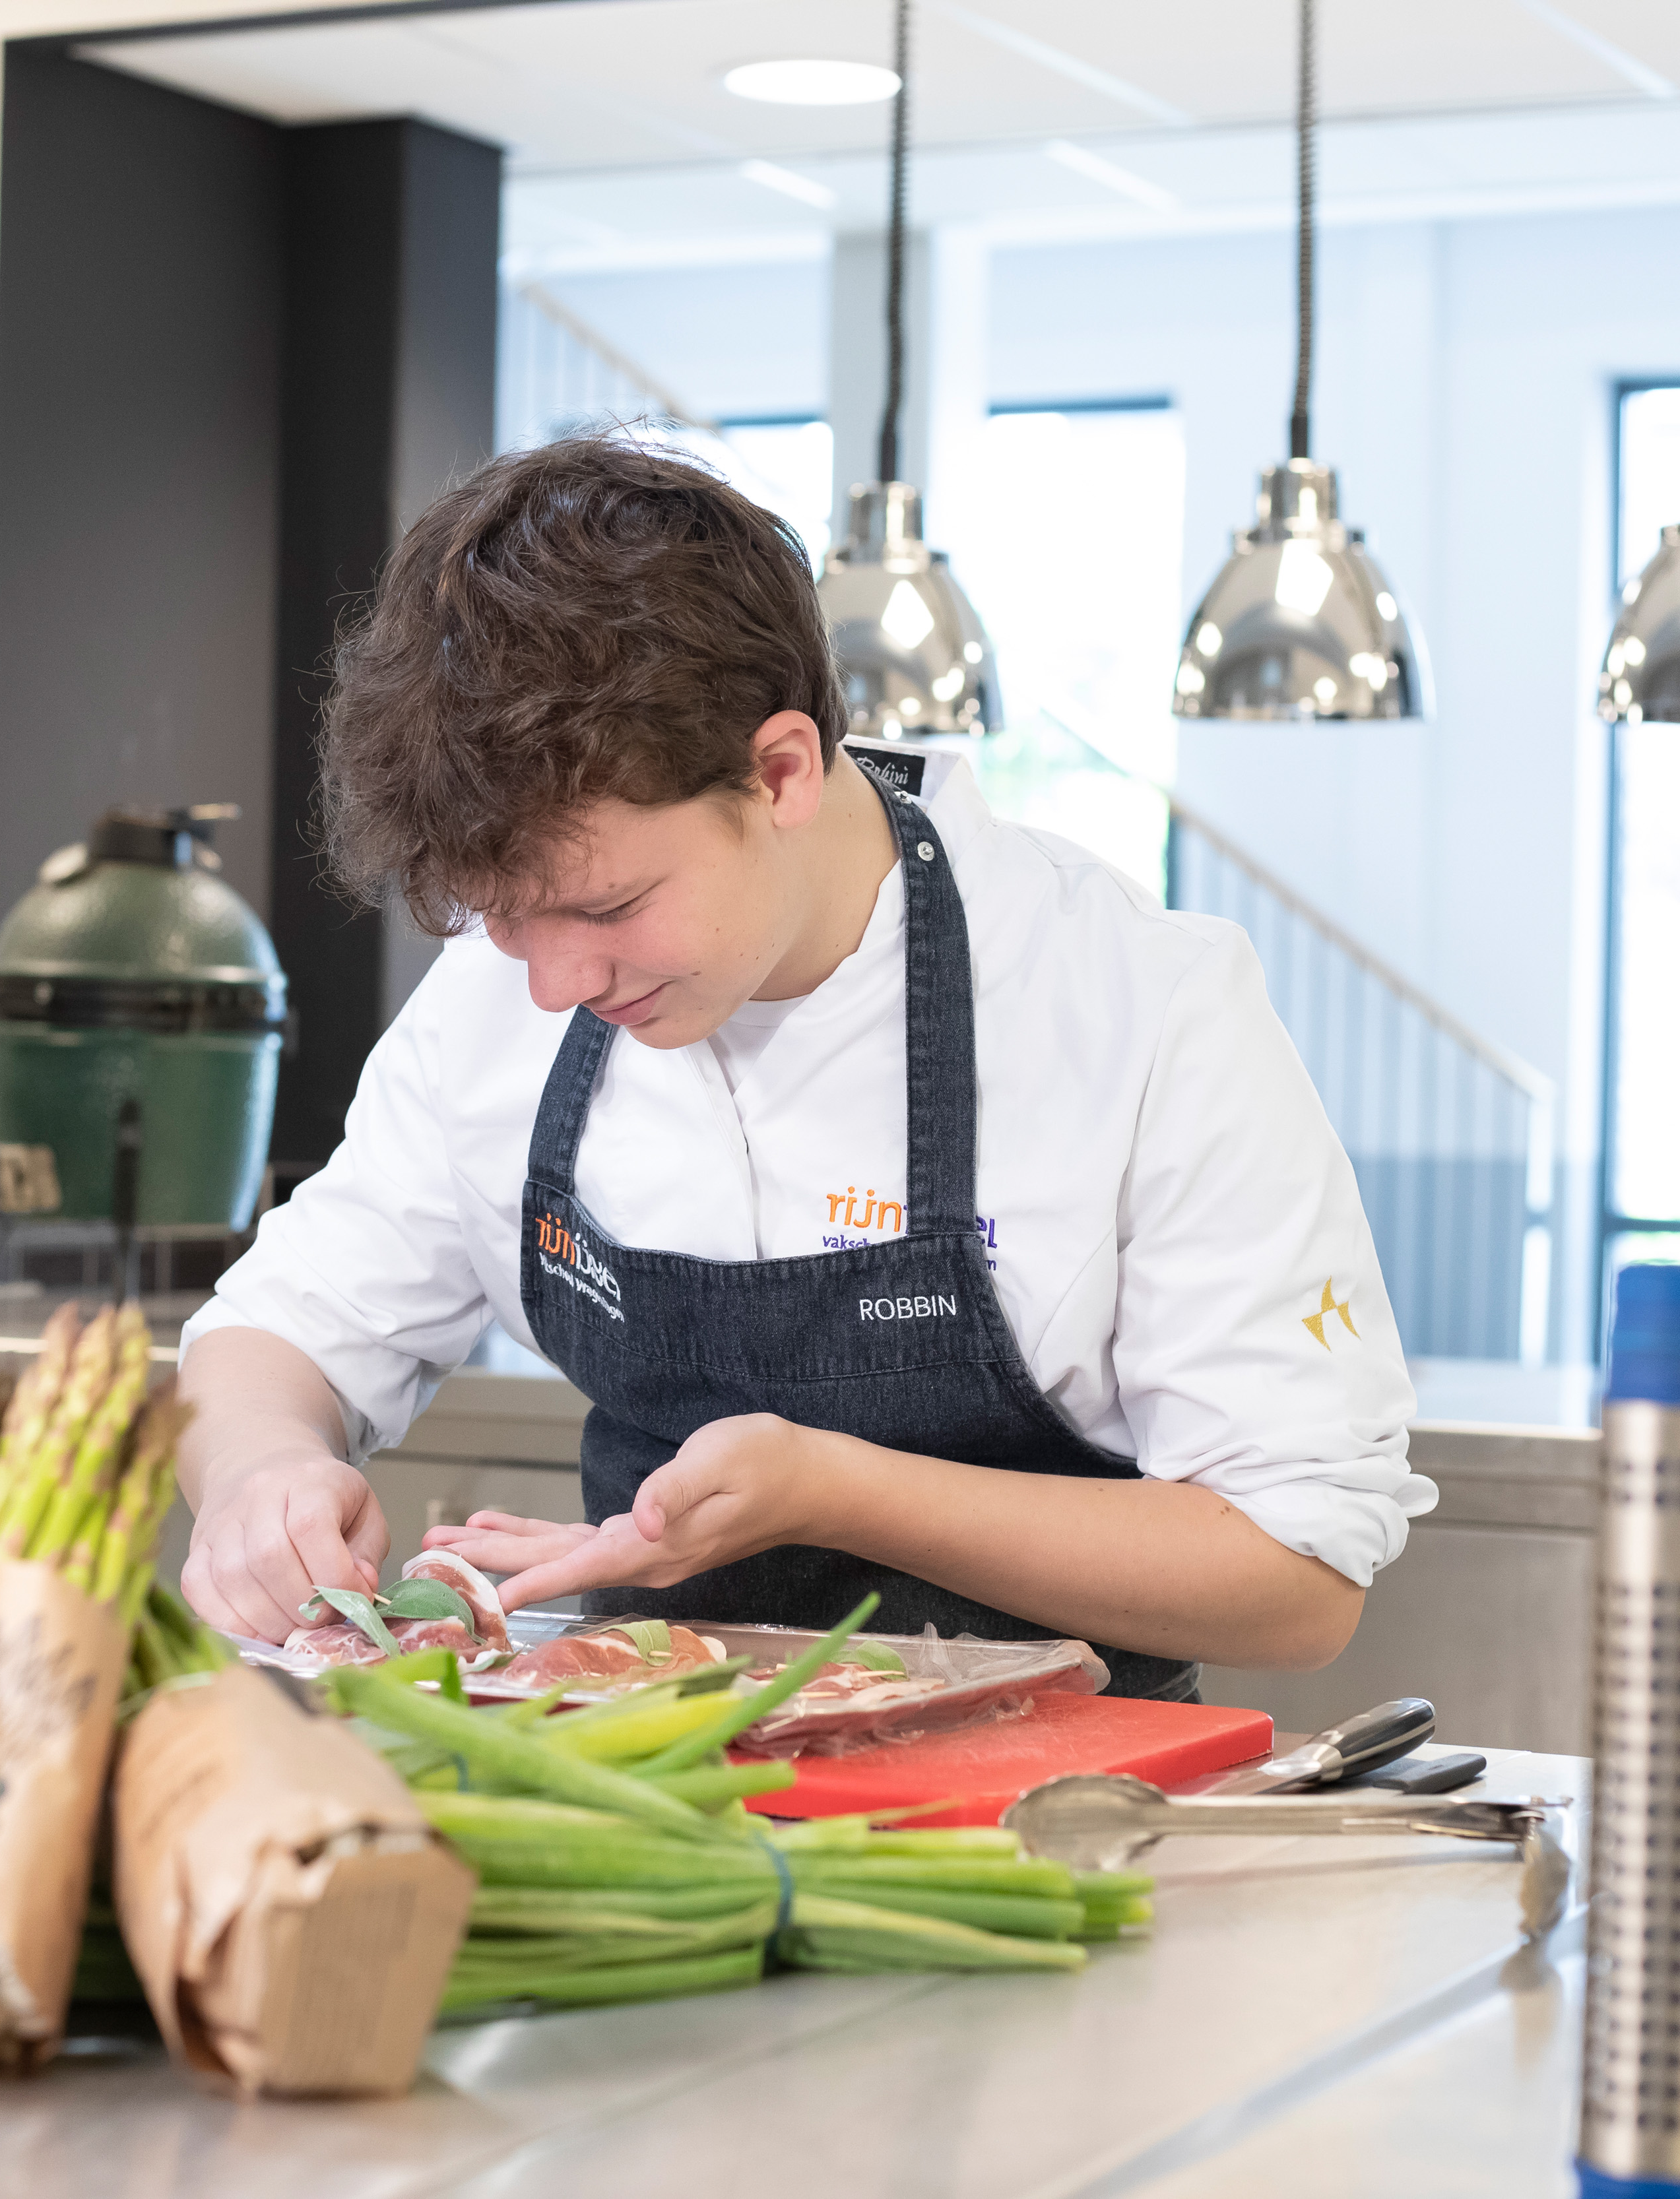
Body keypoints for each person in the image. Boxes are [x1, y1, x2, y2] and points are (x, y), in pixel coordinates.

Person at [172, 437, 1429, 1697]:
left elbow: (1296, 1572)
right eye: (502, 917)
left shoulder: (1135, 1004)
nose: (554, 982)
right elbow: (280, 1334)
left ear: (780, 772)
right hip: (655, 1786)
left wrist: (836, 1490)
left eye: (609, 907)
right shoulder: (501, 1001)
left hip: (1058, 1802)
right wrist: (259, 1475)